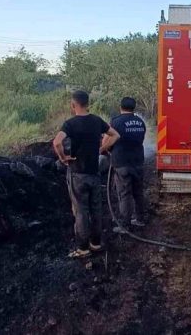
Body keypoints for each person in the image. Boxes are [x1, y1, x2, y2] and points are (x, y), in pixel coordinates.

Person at [53, 90, 119, 258]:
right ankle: (96, 244)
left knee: (81, 211)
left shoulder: (70, 124)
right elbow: (115, 135)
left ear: (73, 104)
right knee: (96, 208)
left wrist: (63, 157)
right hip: (94, 173)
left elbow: (57, 142)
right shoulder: (96, 121)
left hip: (77, 173)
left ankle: (83, 248)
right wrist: (102, 149)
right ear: (87, 103)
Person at [104, 97, 147, 233]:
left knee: (124, 194)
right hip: (138, 161)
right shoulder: (140, 122)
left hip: (122, 162)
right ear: (134, 107)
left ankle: (124, 225)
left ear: (120, 106)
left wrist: (104, 149)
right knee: (138, 192)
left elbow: (107, 139)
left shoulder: (116, 122)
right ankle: (140, 219)